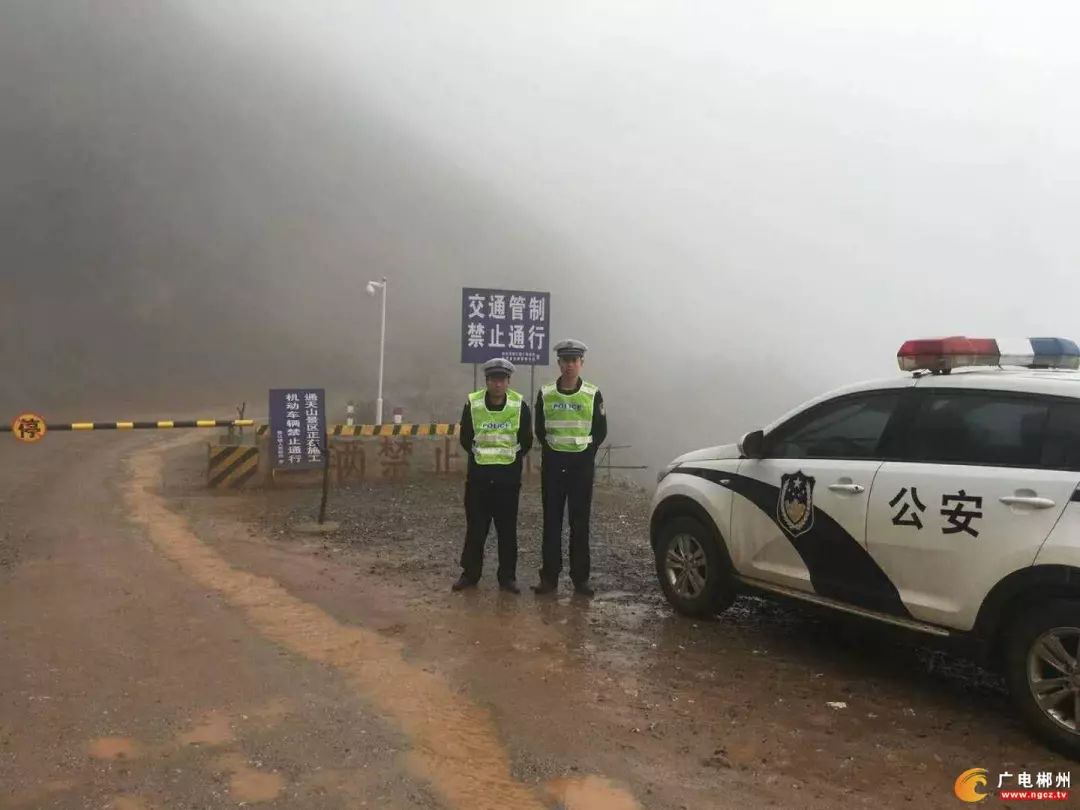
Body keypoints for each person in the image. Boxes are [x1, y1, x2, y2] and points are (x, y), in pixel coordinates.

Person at [532, 339, 607, 596]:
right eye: (565, 361)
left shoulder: (592, 393)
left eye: (574, 361)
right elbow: (540, 429)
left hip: (581, 467)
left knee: (579, 523)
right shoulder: (546, 393)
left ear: (581, 364)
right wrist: (555, 451)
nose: (570, 365)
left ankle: (580, 579)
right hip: (553, 465)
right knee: (551, 523)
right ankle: (549, 578)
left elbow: (600, 430)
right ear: (559, 363)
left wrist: (586, 452)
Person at [453, 357, 533, 593]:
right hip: (478, 480)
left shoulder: (519, 405)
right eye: (493, 379)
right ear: (487, 381)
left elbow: (526, 441)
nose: (498, 384)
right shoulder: (473, 404)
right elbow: (466, 438)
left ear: (508, 381)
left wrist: (506, 462)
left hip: (507, 482)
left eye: (502, 379)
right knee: (476, 528)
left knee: (507, 530)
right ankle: (470, 574)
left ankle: (507, 577)